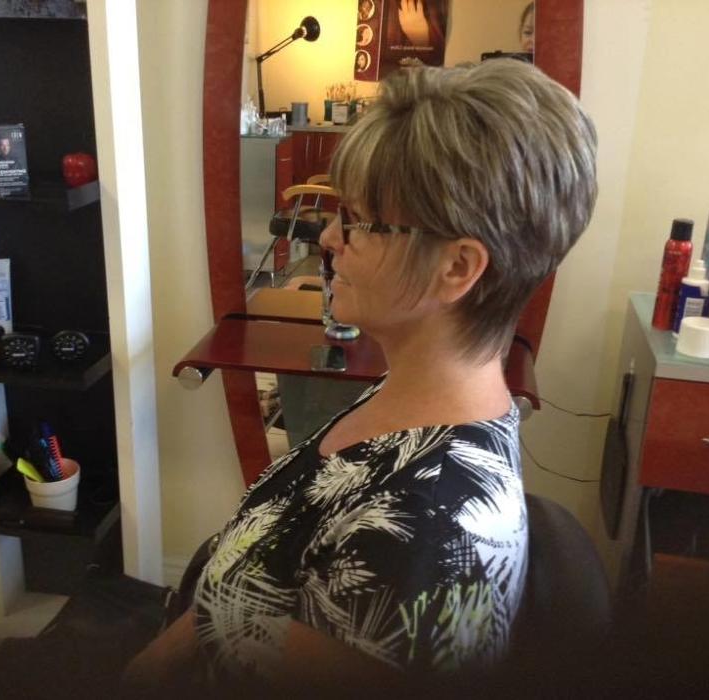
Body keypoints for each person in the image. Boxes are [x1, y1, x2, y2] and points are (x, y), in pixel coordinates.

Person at [126, 59, 597, 691]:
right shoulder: (414, 399)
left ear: (457, 267)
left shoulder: (419, 536)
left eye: (360, 221)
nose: (328, 237)